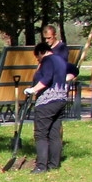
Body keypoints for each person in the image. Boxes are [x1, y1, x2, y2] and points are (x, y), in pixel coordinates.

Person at [24, 40, 69, 173]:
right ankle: (54, 164)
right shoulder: (60, 60)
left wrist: (33, 89)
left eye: (37, 58)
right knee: (55, 133)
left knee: (41, 134)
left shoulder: (47, 60)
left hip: (47, 101)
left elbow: (47, 78)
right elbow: (73, 71)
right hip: (61, 99)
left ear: (40, 52)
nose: (38, 61)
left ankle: (41, 166)